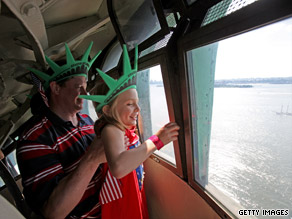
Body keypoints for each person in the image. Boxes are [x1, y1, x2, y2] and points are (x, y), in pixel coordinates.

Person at [79, 44, 180, 219]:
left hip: (132, 194)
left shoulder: (125, 129)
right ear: (108, 111)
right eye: (129, 104)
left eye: (137, 102)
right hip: (121, 205)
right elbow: (118, 168)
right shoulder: (111, 129)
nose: (138, 109)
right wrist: (157, 140)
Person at [16, 42, 106, 218]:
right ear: (56, 88)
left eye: (86, 86)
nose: (86, 94)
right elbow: (53, 212)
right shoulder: (33, 138)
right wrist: (91, 159)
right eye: (79, 87)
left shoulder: (86, 121)